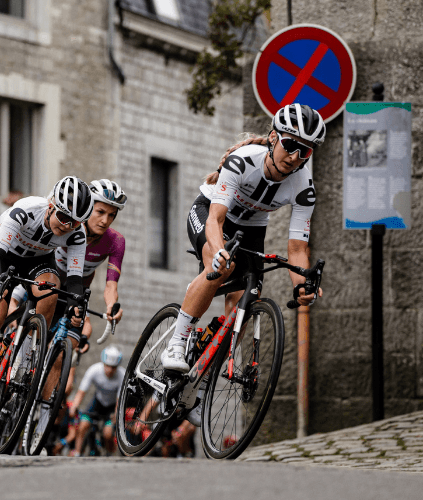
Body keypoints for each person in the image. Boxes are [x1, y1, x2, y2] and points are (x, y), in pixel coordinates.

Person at [161, 103, 325, 385]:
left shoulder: (304, 186)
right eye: (290, 145)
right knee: (224, 266)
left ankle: (202, 386)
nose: (295, 157)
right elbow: (215, 218)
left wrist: (301, 284)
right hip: (210, 214)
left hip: (252, 228)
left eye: (305, 151)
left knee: (246, 304)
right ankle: (177, 340)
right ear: (273, 137)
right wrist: (218, 251)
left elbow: (297, 248)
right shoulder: (243, 160)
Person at [0, 175, 93, 425]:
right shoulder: (24, 212)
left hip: (38, 262)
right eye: (64, 218)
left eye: (75, 222)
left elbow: (75, 280)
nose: (68, 226)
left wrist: (78, 304)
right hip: (4, 258)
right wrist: (0, 282)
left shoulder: (76, 234)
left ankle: (24, 360)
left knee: (52, 290)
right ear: (51, 205)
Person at [54, 179, 126, 393]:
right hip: (51, 278)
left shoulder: (116, 241)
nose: (105, 221)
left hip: (78, 290)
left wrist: (112, 307)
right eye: (100, 211)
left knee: (73, 342)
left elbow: (111, 285)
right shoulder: (70, 225)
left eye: (112, 215)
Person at [69, 345, 125, 456]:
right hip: (97, 402)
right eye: (107, 366)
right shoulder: (94, 370)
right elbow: (81, 392)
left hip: (112, 406)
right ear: (103, 363)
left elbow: (120, 400)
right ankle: (77, 452)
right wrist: (74, 407)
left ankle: (110, 455)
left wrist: (116, 415)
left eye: (113, 367)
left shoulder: (122, 375)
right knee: (83, 425)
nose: (109, 370)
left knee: (108, 433)